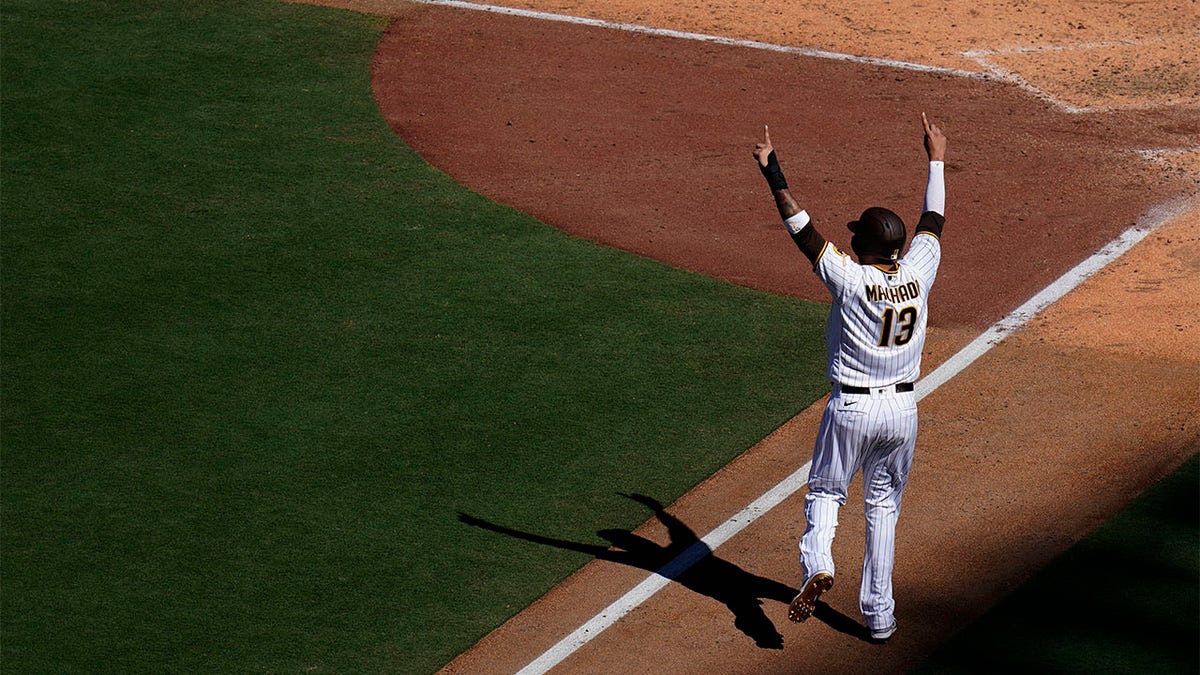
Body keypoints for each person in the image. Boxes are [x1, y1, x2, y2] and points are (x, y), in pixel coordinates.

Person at [752, 113, 948, 642]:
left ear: (861, 244)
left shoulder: (850, 278)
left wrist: (773, 171)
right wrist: (936, 157)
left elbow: (802, 229)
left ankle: (818, 563)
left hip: (853, 409)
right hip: (903, 411)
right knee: (883, 507)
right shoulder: (919, 271)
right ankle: (880, 617)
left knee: (826, 491)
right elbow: (933, 218)